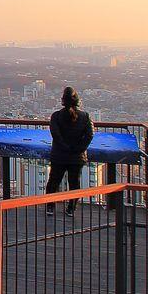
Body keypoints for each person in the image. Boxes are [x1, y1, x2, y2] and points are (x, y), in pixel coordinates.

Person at [46, 86, 93, 218]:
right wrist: (78, 149)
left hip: (59, 155)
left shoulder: (56, 116)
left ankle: (50, 206)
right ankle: (71, 208)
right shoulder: (85, 116)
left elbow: (55, 134)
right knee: (74, 182)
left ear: (63, 101)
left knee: (54, 181)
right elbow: (89, 135)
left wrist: (64, 147)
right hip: (77, 157)